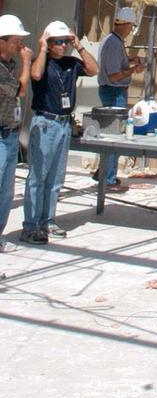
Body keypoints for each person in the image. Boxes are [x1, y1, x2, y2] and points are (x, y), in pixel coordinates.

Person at [21, 21, 98, 243]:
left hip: (64, 124)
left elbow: (94, 70)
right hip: (46, 122)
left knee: (55, 177)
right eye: (58, 42)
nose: (63, 46)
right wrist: (43, 48)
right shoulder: (42, 62)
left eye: (65, 41)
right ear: (50, 42)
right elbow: (35, 75)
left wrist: (80, 46)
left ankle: (47, 221)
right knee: (38, 176)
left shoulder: (71, 63)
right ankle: (31, 225)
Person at [96, 6, 142, 190]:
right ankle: (108, 179)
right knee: (114, 137)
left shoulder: (111, 40)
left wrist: (130, 60)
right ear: (126, 25)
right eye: (131, 27)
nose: (131, 30)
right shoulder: (114, 44)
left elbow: (115, 65)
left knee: (109, 135)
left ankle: (102, 173)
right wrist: (132, 69)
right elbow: (115, 75)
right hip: (114, 93)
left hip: (110, 91)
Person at [0, 14, 31, 260]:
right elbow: (20, 90)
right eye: (15, 40)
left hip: (9, 133)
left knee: (7, 191)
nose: (19, 44)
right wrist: (27, 62)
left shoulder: (9, 64)